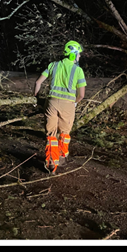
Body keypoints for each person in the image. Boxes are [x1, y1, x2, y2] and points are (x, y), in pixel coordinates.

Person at [34, 41, 87, 174]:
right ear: (72, 55)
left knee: (51, 135)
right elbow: (81, 95)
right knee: (64, 134)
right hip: (68, 105)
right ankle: (62, 158)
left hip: (51, 103)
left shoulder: (53, 65)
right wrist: (75, 103)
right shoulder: (78, 70)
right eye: (78, 54)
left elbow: (38, 82)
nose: (79, 57)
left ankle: (51, 163)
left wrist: (36, 97)